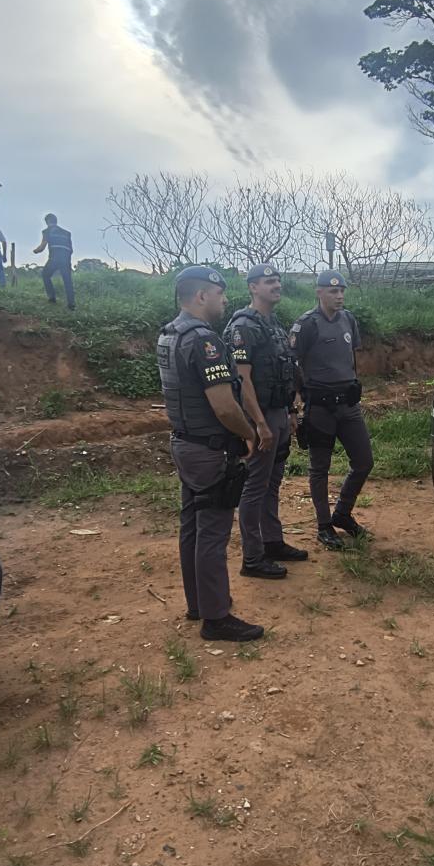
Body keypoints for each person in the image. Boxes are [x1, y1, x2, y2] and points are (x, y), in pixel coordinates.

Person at [157, 265, 264, 642]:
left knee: (192, 525)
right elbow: (223, 406)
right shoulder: (204, 340)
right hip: (208, 450)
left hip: (184, 444)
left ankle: (198, 603)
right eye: (219, 294)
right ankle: (217, 618)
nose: (223, 300)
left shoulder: (169, 334)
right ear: (202, 296)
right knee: (213, 532)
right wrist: (249, 433)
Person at [225, 263, 308, 580]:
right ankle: (252, 557)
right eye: (268, 281)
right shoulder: (243, 326)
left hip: (278, 413)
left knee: (272, 483)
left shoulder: (272, 324)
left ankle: (272, 542)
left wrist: (290, 413)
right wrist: (259, 424)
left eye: (277, 280)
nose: (277, 285)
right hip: (257, 415)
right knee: (254, 487)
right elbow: (243, 381)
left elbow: (284, 370)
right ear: (252, 287)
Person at [290, 270, 374, 551]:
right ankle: (324, 525)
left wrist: (353, 383)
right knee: (320, 468)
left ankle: (342, 513)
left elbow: (352, 358)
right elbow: (293, 364)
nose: (338, 296)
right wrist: (298, 400)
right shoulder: (306, 325)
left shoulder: (348, 319)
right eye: (332, 291)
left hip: (348, 406)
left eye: (341, 292)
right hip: (320, 409)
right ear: (319, 292)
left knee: (364, 461)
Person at [32, 212, 75, 309]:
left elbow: (42, 247)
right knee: (67, 280)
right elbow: (71, 249)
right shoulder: (67, 233)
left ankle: (52, 298)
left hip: (54, 258)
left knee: (45, 275)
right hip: (66, 258)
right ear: (56, 221)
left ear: (47, 222)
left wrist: (35, 251)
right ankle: (71, 304)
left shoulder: (47, 231)